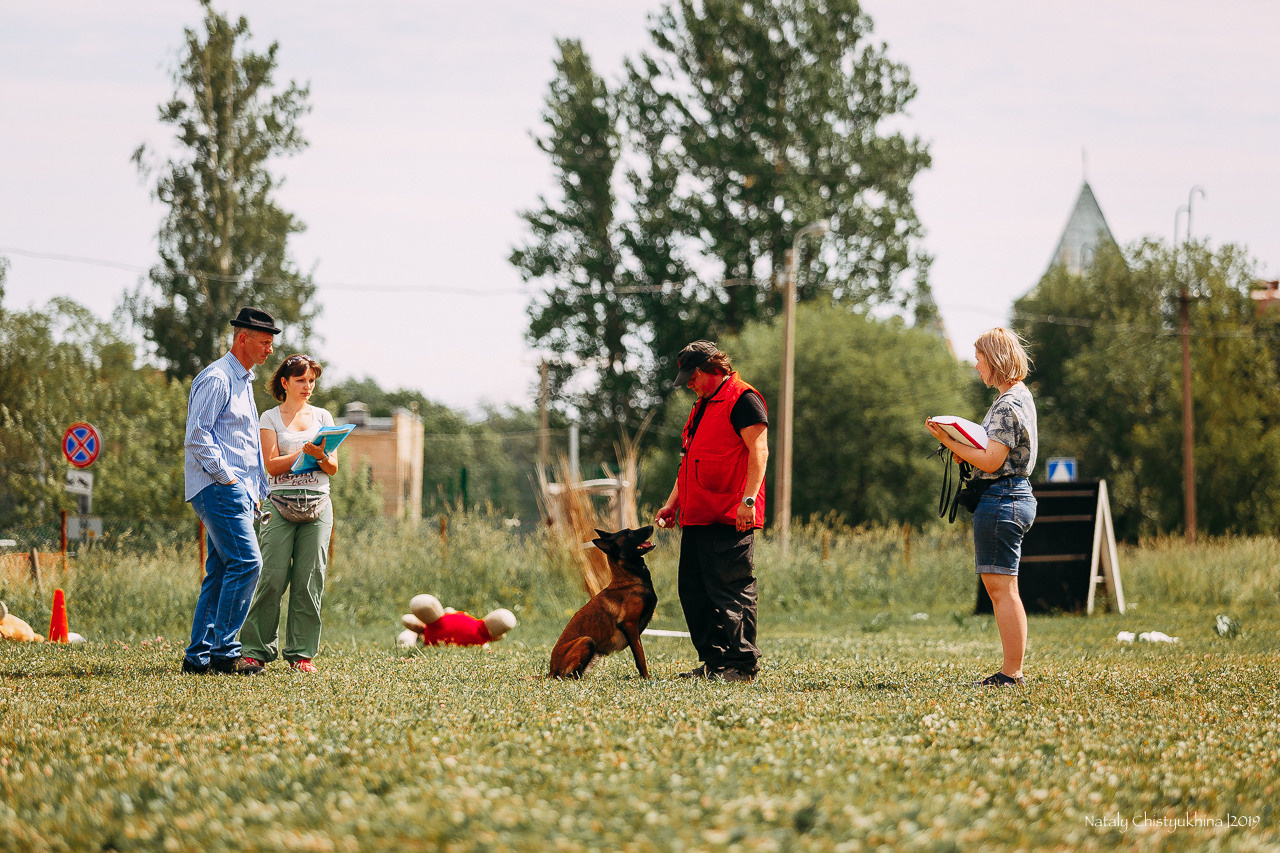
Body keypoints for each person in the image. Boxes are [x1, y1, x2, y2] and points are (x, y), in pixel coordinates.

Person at [927, 328, 1038, 687]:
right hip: (1014, 495)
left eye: (979, 359)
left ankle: (1011, 673)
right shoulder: (1019, 397)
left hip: (1003, 497)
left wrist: (949, 440)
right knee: (1005, 587)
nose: (976, 367)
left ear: (995, 359)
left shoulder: (1007, 405)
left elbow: (991, 461)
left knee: (1001, 589)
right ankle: (1012, 670)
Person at [655, 341, 768, 683]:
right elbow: (689, 460)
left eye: (692, 377)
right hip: (697, 515)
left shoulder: (743, 398)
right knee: (694, 591)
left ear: (710, 369)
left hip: (729, 515)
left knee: (732, 590)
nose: (689, 383)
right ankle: (715, 662)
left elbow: (759, 451)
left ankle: (742, 665)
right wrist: (672, 503)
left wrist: (747, 502)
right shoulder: (701, 405)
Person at [182, 307, 280, 675]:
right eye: (265, 342)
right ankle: (225, 651)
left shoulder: (243, 381)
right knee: (247, 562)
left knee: (223, 569)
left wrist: (256, 488)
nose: (270, 350)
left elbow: (243, 443)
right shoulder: (218, 378)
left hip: (234, 490)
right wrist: (230, 480)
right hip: (219, 487)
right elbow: (198, 437)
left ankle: (198, 656)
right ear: (243, 338)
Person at [239, 354, 339, 673]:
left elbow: (332, 467)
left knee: (310, 580)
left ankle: (301, 654)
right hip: (279, 504)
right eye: (301, 380)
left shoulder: (323, 417)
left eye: (311, 380)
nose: (307, 386)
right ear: (285, 382)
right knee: (272, 577)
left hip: (318, 503)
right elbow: (271, 465)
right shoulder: (269, 418)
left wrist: (321, 455)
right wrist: (304, 453)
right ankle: (255, 650)